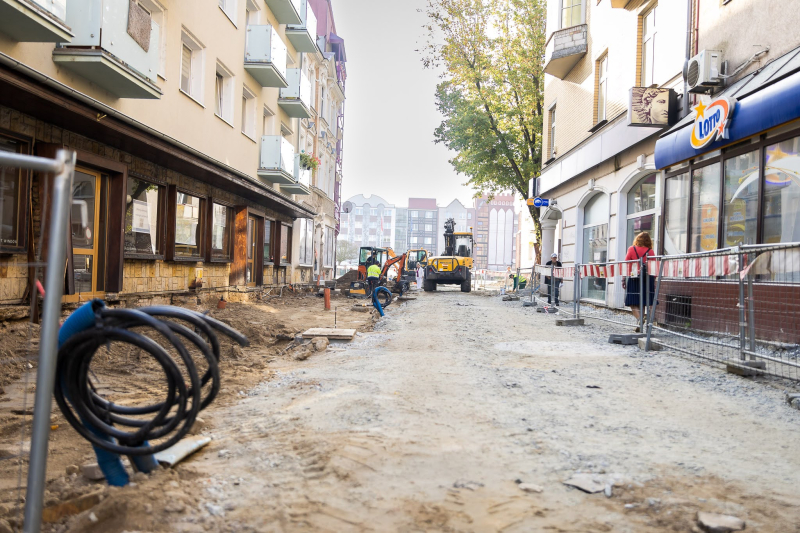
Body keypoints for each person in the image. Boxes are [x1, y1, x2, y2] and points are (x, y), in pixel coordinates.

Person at [623, 232, 657, 331]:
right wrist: (654, 281)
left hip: (634, 278)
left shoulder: (631, 249)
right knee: (642, 302)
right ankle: (640, 324)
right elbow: (654, 267)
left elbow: (626, 265)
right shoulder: (650, 251)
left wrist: (623, 279)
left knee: (632, 302)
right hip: (648, 278)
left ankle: (639, 320)